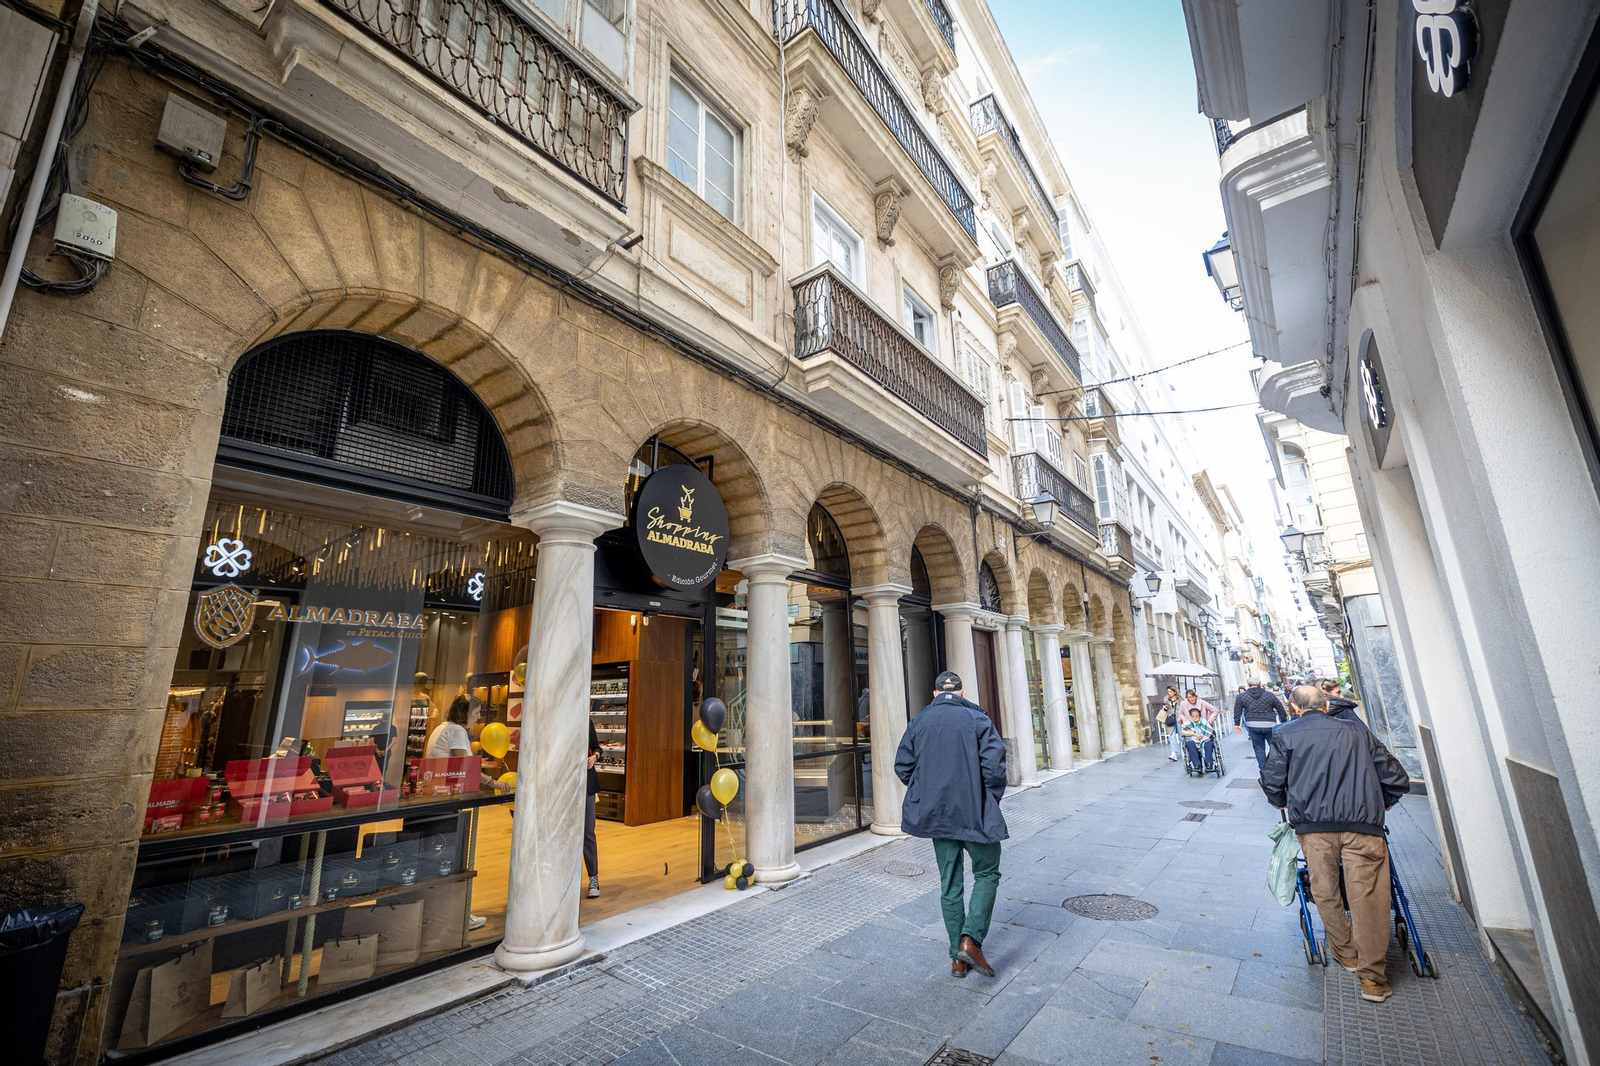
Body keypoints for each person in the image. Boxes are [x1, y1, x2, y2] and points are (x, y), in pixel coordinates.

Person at [1261, 685, 1409, 1003]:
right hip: (1363, 827)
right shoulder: (1358, 732)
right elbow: (1398, 778)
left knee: (1326, 891)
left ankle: (1348, 955)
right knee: (1369, 898)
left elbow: (1272, 783)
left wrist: (1279, 801)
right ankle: (1373, 981)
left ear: (1293, 707)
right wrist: (1381, 803)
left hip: (1313, 829)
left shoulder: (1284, 734)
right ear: (1326, 706)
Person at [895, 671, 1008, 980]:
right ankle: (970, 940)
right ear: (960, 693)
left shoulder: (920, 721)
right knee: (987, 871)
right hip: (975, 812)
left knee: (950, 882)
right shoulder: (978, 719)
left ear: (935, 694)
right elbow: (996, 767)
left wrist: (926, 790)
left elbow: (903, 766)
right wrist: (988, 797)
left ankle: (956, 960)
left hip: (937, 815)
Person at [1233, 678, 1288, 770]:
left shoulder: (1242, 696)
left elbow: (1237, 710)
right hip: (1270, 724)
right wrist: (1283, 721)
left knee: (1259, 748)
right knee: (1274, 746)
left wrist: (1237, 723)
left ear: (1248, 685)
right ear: (1260, 684)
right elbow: (1280, 708)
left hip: (1253, 724)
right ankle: (1274, 767)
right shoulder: (1269, 695)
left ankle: (1263, 769)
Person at [584, 719, 601, 899]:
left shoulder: (586, 721)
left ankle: (593, 877)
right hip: (565, 785)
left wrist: (594, 757)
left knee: (588, 832)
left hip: (587, 783)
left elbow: (597, 747)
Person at [1179, 706, 1217, 771]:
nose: (1195, 717)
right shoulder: (1188, 723)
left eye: (1197, 716)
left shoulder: (1204, 721)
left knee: (1208, 744)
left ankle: (1209, 764)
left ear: (1199, 716)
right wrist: (1194, 734)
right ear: (1191, 716)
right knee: (1190, 744)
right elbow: (1183, 732)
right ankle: (1196, 764)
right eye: (1193, 716)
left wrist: (1204, 737)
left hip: (1204, 739)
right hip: (1193, 739)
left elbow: (1210, 732)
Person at [1161, 686, 1182, 761]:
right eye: (1168, 692)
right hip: (1170, 718)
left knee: (1181, 735)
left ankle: (1185, 750)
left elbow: (1182, 709)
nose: (1169, 693)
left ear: (1174, 692)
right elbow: (1164, 709)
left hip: (1179, 718)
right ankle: (1174, 753)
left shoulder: (1180, 699)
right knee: (1172, 736)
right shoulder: (1166, 699)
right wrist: (1166, 707)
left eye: (1170, 691)